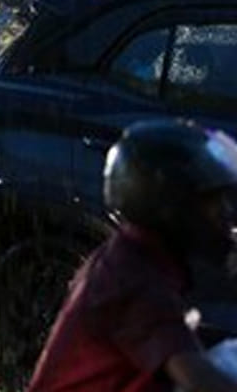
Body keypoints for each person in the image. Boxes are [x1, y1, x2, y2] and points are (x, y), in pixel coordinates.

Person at [27, 119, 237, 392]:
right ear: (173, 205)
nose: (224, 215)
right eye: (212, 202)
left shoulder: (136, 256)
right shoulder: (133, 278)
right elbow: (199, 380)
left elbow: (174, 332)